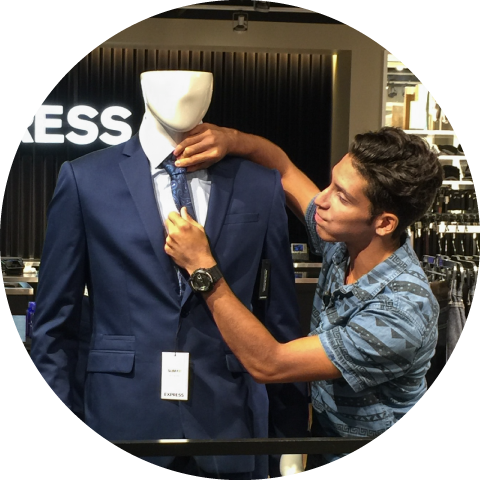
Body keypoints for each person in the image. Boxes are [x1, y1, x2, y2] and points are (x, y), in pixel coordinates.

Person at [30, 72, 309, 479]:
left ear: (211, 95)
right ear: (143, 90)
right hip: (121, 415)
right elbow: (54, 323)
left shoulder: (258, 187)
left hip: (229, 420)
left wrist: (288, 441)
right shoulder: (86, 179)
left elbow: (280, 319)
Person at [164, 123, 444, 467]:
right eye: (331, 183)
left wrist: (202, 267)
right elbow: (281, 167)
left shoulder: (400, 313)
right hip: (326, 441)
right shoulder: (346, 241)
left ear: (384, 223)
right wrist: (230, 140)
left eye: (342, 196)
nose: (321, 201)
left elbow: (270, 363)